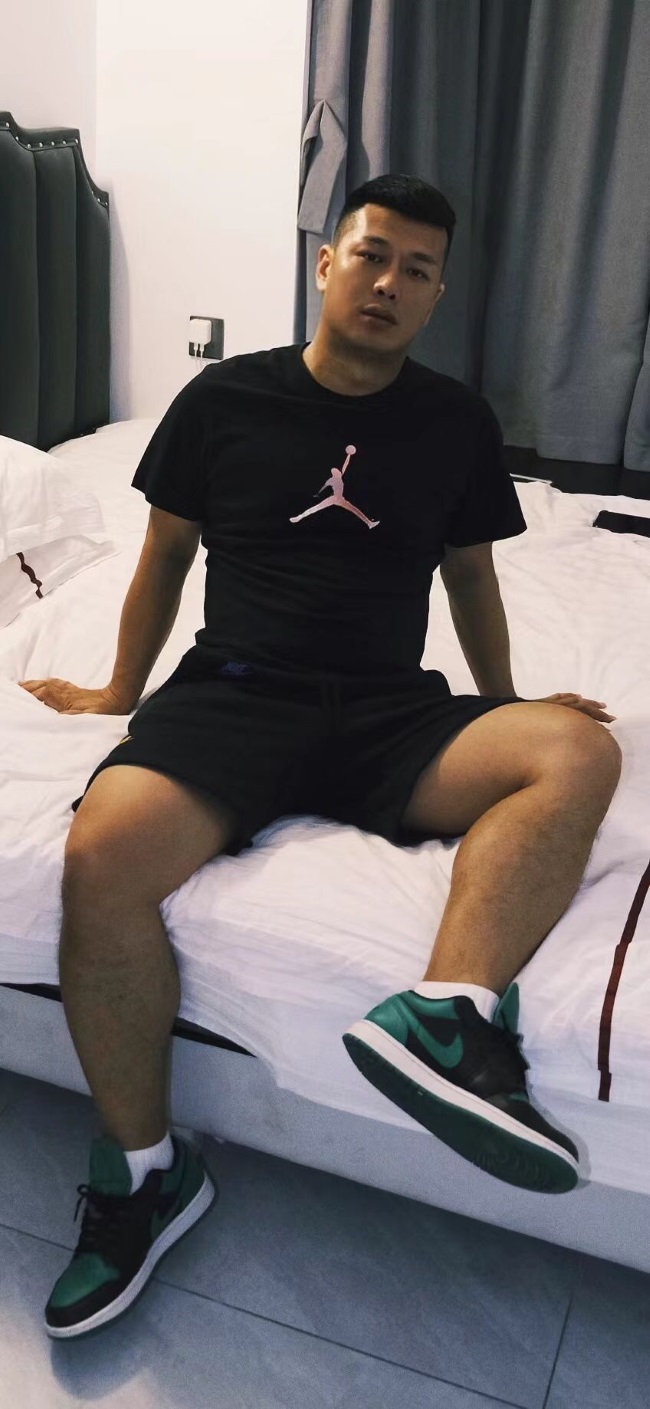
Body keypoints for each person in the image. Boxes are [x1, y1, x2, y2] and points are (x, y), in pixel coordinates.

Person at [19, 173, 622, 1341]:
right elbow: (164, 557)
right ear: (325, 262)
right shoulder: (222, 399)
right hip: (235, 696)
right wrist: (118, 691)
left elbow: (470, 574)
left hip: (386, 710)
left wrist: (504, 701)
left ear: (437, 293)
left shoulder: (453, 421)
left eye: (416, 268)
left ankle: (446, 1011)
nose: (388, 281)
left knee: (572, 749)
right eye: (371, 254)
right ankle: (143, 1171)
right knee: (101, 853)